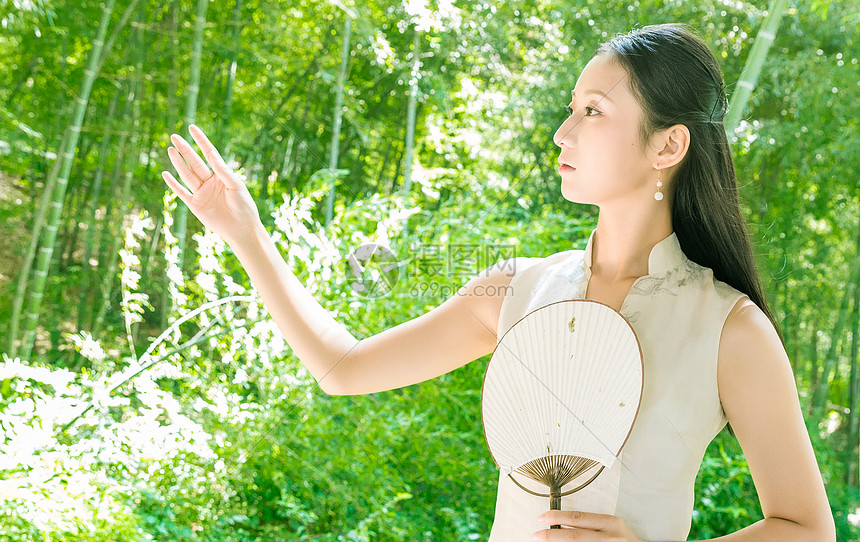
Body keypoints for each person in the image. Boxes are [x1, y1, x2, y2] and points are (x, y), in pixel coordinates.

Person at [162, 23, 835, 542]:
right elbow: (341, 366)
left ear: (668, 145)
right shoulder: (515, 289)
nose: (561, 131)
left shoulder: (728, 328)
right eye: (571, 108)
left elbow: (808, 527)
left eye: (593, 112)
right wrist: (245, 235)